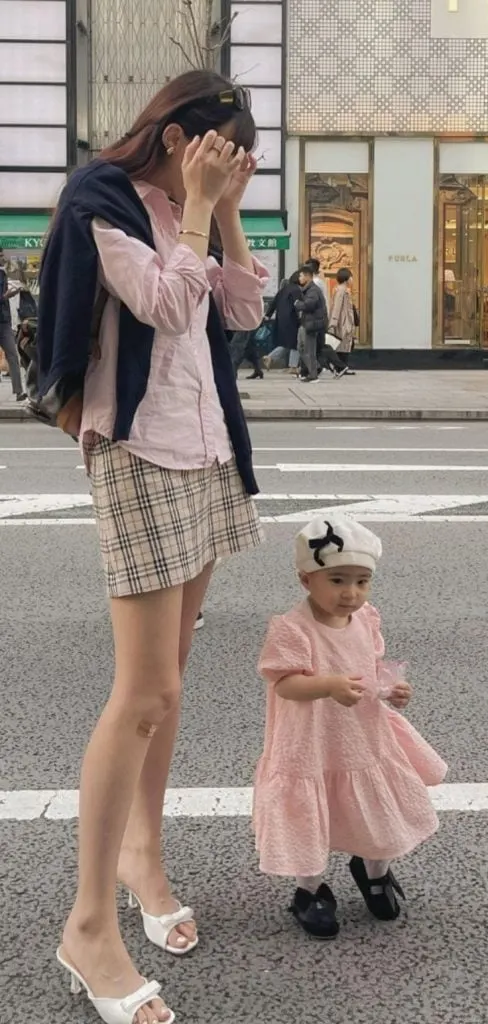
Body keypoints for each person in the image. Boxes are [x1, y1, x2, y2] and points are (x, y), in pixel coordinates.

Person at [40, 70, 267, 1024]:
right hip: (139, 454)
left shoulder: (191, 209)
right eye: (222, 151)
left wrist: (225, 214)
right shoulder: (105, 201)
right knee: (142, 694)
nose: (228, 168)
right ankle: (88, 924)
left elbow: (241, 315)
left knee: (167, 683)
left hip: (205, 453)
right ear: (178, 138)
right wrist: (200, 209)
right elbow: (167, 309)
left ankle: (143, 854)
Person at [253, 515, 447, 939]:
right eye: (338, 580)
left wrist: (391, 689)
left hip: (363, 737)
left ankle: (375, 871)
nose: (351, 593)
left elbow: (370, 667)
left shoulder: (365, 619)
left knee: (378, 812)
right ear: (306, 579)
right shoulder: (293, 629)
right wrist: (327, 685)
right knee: (309, 819)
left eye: (362, 581)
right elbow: (284, 684)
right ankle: (310, 891)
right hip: (311, 742)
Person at [262, 272, 302, 370]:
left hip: (281, 320)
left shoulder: (284, 289)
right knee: (295, 342)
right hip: (292, 319)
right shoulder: (297, 290)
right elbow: (298, 305)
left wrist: (268, 315)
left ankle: (270, 357)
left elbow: (274, 302)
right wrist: (301, 318)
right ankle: (293, 366)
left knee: (287, 344)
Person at [0, 257, 27, 401]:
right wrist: (5, 296)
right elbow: (3, 297)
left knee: (13, 355)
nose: (2, 258)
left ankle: (18, 392)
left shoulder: (3, 274)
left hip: (4, 322)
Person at [294, 265, 326, 382]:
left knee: (309, 350)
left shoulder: (313, 290)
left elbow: (309, 305)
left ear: (307, 276)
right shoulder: (307, 289)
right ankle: (315, 368)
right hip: (306, 323)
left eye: (301, 276)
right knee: (302, 348)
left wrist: (297, 304)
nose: (299, 278)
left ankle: (313, 375)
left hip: (311, 324)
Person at [328, 267, 356, 373]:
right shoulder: (341, 291)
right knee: (342, 345)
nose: (352, 279)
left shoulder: (344, 290)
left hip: (345, 322)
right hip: (342, 323)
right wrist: (333, 323)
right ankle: (340, 367)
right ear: (346, 278)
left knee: (345, 346)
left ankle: (342, 367)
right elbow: (337, 308)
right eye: (351, 277)